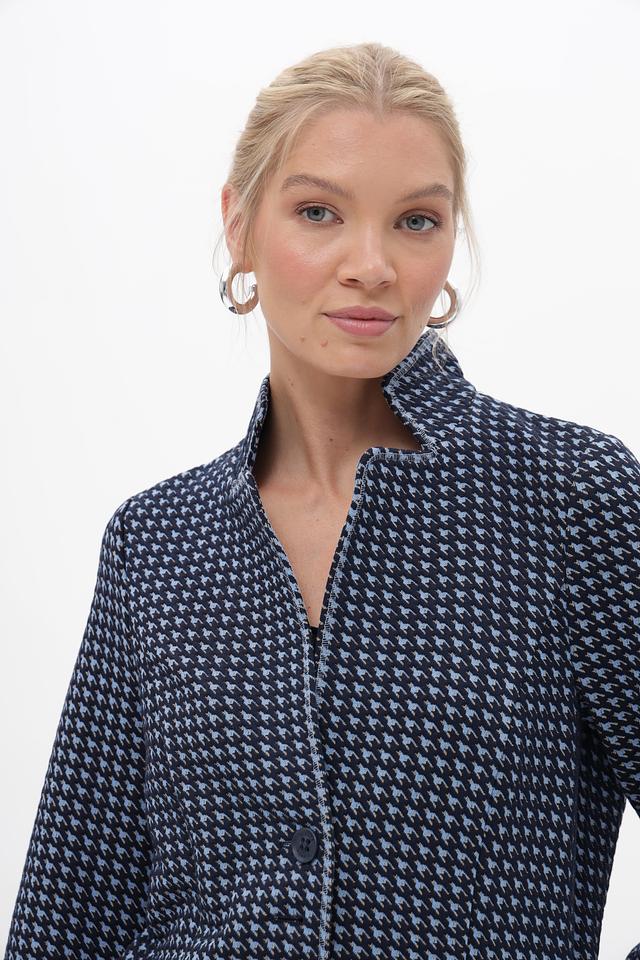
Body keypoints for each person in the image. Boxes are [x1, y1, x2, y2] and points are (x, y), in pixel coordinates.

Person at [4, 41, 639, 960]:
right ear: (240, 226)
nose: (371, 265)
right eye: (318, 212)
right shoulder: (157, 543)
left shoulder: (570, 499)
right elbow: (72, 910)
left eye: (416, 221)